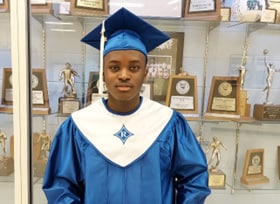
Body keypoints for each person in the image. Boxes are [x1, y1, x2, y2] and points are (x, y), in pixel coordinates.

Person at [42, 8, 210, 203]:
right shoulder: (78, 126)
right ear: (103, 73)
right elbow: (61, 188)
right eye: (114, 67)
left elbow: (194, 180)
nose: (123, 75)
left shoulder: (168, 124)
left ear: (145, 73)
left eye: (134, 67)